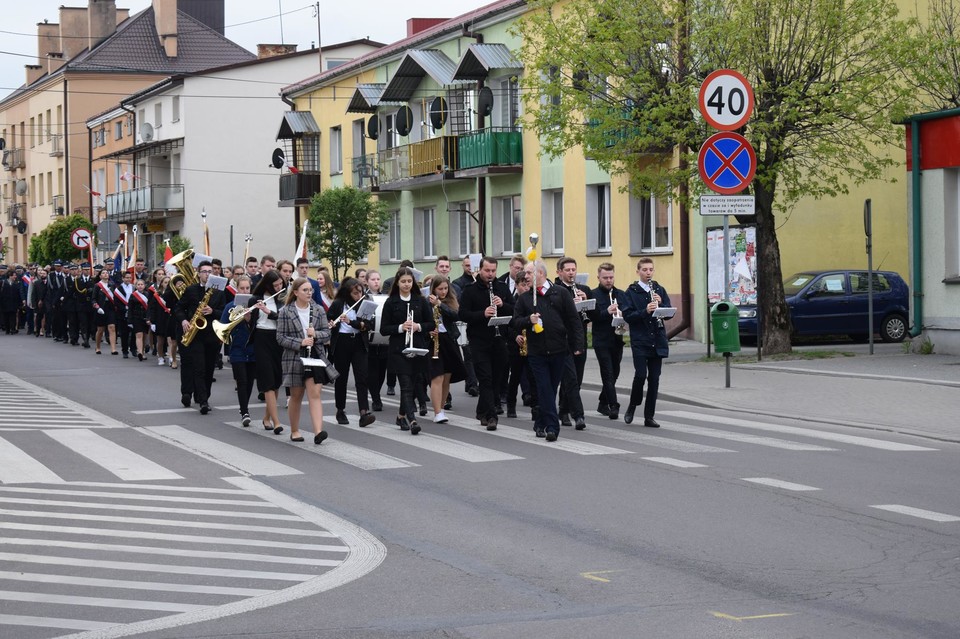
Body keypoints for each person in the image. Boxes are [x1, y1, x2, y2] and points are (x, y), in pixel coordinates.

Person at [511, 260, 583, 441]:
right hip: (537, 352)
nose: (525, 276)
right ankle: (552, 427)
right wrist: (529, 320)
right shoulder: (526, 298)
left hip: (559, 349)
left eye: (528, 273)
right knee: (544, 388)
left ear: (540, 273)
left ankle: (540, 423)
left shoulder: (560, 293)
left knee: (550, 388)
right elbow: (516, 321)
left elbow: (573, 320)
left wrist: (577, 345)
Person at [458, 256, 513, 430]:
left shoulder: (502, 288)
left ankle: (481, 410)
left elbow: (514, 309)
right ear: (480, 270)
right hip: (479, 341)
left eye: (493, 271)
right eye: (487, 270)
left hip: (499, 340)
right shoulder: (470, 290)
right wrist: (483, 313)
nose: (490, 274)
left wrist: (502, 304)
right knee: (486, 378)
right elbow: (463, 314)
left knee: (496, 379)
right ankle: (491, 416)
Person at [379, 266, 435, 434]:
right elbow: (384, 329)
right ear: (397, 283)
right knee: (405, 384)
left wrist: (418, 326)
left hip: (417, 346)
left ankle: (401, 415)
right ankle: (412, 420)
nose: (406, 284)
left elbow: (431, 324)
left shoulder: (420, 300)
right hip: (398, 348)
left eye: (409, 281)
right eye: (403, 282)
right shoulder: (391, 302)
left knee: (413, 383)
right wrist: (401, 327)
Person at [276, 277, 331, 444]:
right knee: (296, 395)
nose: (309, 293)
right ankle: (294, 430)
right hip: (294, 358)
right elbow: (280, 337)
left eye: (310, 290)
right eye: (305, 290)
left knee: (315, 394)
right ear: (296, 292)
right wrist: (300, 342)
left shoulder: (318, 310)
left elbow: (327, 334)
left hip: (314, 356)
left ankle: (318, 431)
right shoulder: (286, 311)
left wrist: (316, 334)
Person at [620, 257, 671, 428]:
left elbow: (669, 312)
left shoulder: (659, 289)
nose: (648, 273)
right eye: (645, 270)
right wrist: (645, 310)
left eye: (651, 269)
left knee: (654, 379)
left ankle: (649, 416)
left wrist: (661, 304)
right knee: (640, 375)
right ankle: (633, 405)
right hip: (640, 340)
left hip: (657, 339)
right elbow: (628, 316)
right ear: (638, 272)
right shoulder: (631, 292)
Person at [174, 260, 226, 414]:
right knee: (199, 367)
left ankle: (204, 395)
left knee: (209, 368)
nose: (208, 274)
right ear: (198, 273)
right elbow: (178, 308)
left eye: (210, 271)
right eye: (204, 271)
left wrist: (213, 311)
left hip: (212, 335)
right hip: (195, 335)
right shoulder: (191, 290)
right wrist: (183, 320)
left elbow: (225, 312)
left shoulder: (219, 292)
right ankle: (203, 401)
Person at [327, 277, 375, 427]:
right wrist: (331, 323)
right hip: (342, 342)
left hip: (359, 343)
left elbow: (368, 325)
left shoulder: (364, 305)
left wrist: (351, 322)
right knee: (341, 377)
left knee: (362, 377)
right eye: (355, 293)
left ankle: (364, 411)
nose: (359, 295)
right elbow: (328, 320)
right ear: (347, 293)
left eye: (360, 292)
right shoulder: (337, 304)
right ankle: (340, 409)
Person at [554, 256, 591, 429]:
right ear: (559, 272)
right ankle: (571, 413)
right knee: (570, 379)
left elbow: (593, 316)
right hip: (562, 340)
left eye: (573, 270)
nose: (571, 273)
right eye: (567, 270)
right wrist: (572, 306)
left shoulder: (583, 289)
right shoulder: (556, 290)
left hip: (579, 339)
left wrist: (585, 304)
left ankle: (564, 408)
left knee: (578, 378)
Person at [249, 270, 286, 435]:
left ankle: (266, 418)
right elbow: (251, 324)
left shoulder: (282, 299)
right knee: (268, 381)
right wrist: (247, 317)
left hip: (277, 339)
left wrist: (268, 312)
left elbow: (284, 319)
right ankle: (277, 422)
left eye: (280, 284)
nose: (279, 287)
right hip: (261, 339)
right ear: (267, 285)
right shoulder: (255, 298)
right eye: (276, 285)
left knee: (277, 380)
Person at [426, 275, 465, 423]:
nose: (443, 291)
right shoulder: (426, 302)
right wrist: (428, 330)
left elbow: (456, 315)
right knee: (437, 376)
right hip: (433, 341)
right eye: (440, 289)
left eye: (445, 288)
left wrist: (440, 304)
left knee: (446, 377)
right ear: (433, 289)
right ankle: (436, 412)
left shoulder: (450, 301)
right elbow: (422, 320)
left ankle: (441, 408)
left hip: (448, 340)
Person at [589, 262, 625, 420]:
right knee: (608, 373)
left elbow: (628, 312)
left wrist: (622, 313)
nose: (609, 280)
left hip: (617, 338)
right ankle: (613, 405)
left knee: (615, 372)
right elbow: (592, 316)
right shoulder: (593, 294)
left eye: (611, 277)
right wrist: (607, 311)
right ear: (598, 277)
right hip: (601, 340)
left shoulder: (620, 294)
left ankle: (603, 402)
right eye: (605, 277)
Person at [221, 275, 256, 426]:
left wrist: (249, 319)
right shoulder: (230, 307)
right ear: (236, 289)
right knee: (241, 381)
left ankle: (244, 407)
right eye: (242, 288)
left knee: (249, 382)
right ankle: (245, 411)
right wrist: (235, 320)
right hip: (237, 349)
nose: (245, 290)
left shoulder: (255, 307)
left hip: (253, 350)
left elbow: (258, 328)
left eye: (247, 288)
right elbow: (223, 326)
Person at [364, 269, 387, 411]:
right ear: (366, 281)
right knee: (372, 370)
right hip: (369, 341)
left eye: (378, 279)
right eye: (373, 279)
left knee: (382, 371)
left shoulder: (385, 297)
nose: (376, 282)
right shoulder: (364, 298)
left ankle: (376, 392)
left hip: (383, 340)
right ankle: (376, 398)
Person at [91, 267, 118, 355]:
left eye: (106, 273)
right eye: (103, 273)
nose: (105, 274)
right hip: (101, 309)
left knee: (112, 328)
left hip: (110, 308)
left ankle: (113, 349)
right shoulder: (97, 286)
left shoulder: (112, 284)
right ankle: (98, 347)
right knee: (100, 330)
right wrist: (97, 307)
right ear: (100, 276)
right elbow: (93, 299)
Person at [149, 275, 173, 366]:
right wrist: (153, 322)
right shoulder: (157, 295)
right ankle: (160, 357)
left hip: (170, 319)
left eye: (169, 283)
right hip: (160, 319)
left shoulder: (174, 294)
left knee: (171, 340)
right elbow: (153, 309)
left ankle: (171, 356)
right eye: (165, 282)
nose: (167, 284)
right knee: (160, 341)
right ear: (162, 284)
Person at [128, 278, 151, 361]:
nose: (140, 286)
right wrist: (129, 321)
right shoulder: (133, 295)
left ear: (144, 286)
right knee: (139, 335)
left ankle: (143, 351)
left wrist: (149, 318)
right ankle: (139, 352)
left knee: (145, 335)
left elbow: (150, 308)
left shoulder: (148, 295)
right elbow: (130, 309)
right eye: (138, 284)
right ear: (136, 286)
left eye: (142, 284)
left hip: (145, 318)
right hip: (136, 317)